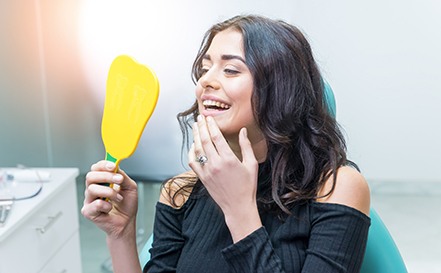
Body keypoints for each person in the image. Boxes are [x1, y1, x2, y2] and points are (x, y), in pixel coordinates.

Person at [82, 15, 371, 273]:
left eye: (230, 70)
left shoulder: (335, 188)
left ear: (281, 89)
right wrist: (120, 236)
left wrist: (239, 210)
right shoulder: (178, 192)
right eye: (205, 69)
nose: (206, 81)